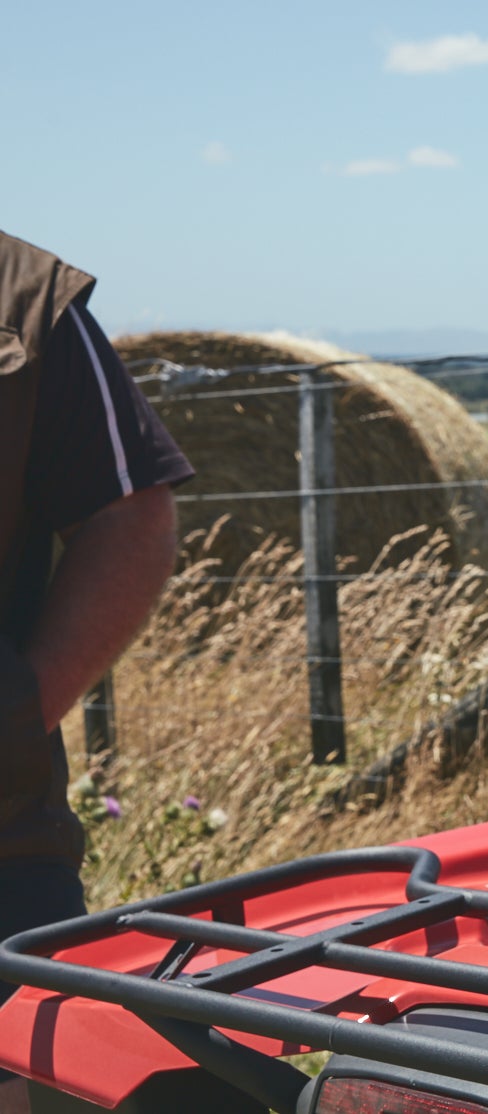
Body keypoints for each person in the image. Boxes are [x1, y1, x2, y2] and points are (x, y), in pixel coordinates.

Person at [0, 231, 192, 1108]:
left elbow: (131, 518)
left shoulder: (21, 296)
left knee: (45, 1071)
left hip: (3, 842)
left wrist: (14, 715)